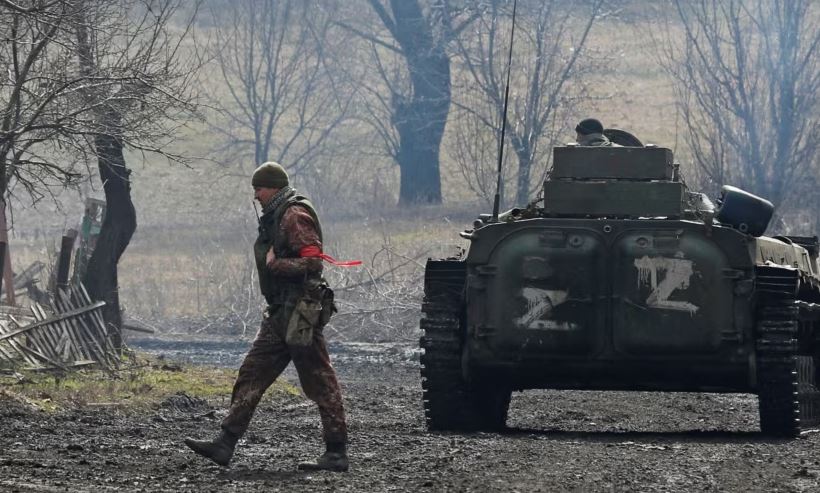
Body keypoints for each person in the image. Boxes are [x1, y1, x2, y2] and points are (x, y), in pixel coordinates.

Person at [184, 161, 348, 472]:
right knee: (252, 373)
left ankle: (336, 453)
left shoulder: (294, 215)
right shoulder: (277, 214)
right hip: (279, 313)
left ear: (273, 187)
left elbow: (313, 264)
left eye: (259, 188)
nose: (256, 195)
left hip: (300, 313)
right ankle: (224, 443)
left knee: (319, 379)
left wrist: (276, 265)